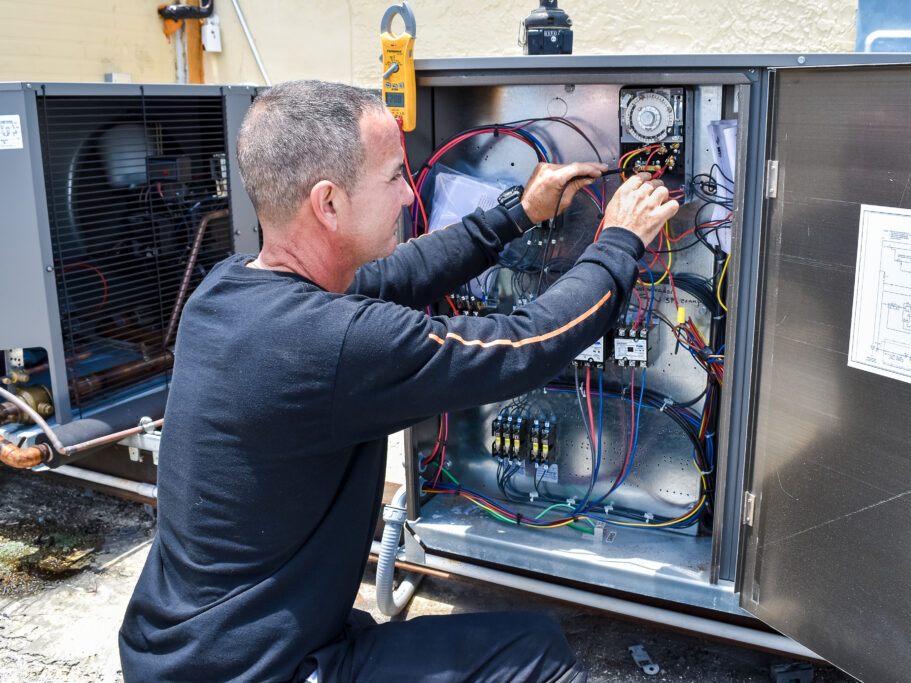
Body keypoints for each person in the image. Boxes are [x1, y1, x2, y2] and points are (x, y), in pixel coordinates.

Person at [118, 80, 678, 683]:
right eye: (392, 177)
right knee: (535, 655)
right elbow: (528, 344)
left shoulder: (226, 290)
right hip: (257, 672)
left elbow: (397, 275)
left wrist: (520, 212)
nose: (410, 193)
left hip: (183, 650)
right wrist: (620, 240)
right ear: (328, 204)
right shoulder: (332, 343)